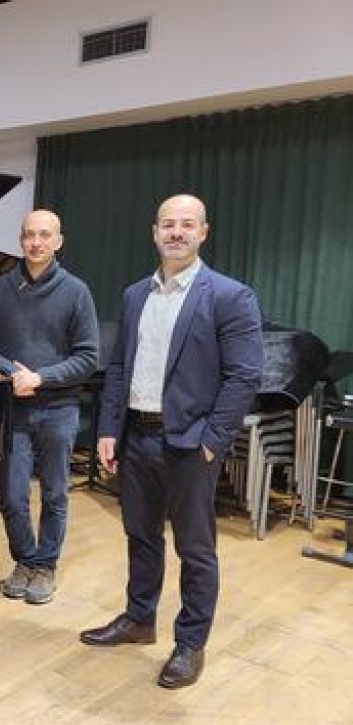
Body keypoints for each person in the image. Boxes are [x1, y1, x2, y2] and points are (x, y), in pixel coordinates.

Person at [80, 194, 263, 689]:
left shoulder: (229, 296)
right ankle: (139, 619)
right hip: (136, 436)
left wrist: (213, 439)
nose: (176, 232)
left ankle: (190, 644)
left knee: (195, 549)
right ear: (154, 232)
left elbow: (245, 376)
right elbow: (119, 366)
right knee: (140, 535)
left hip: (191, 443)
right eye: (167, 224)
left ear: (203, 232)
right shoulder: (135, 294)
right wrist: (108, 429)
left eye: (186, 224)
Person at [0, 209, 99, 605]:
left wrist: (40, 378)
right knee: (12, 496)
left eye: (45, 235)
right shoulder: (0, 290)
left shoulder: (76, 291)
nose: (36, 242)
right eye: (29, 235)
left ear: (59, 241)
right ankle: (25, 560)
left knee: (55, 494)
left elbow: (88, 357)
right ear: (21, 240)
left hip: (59, 408)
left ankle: (45, 566)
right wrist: (13, 373)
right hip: (15, 408)